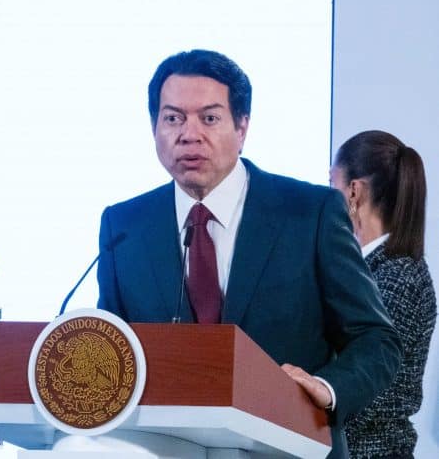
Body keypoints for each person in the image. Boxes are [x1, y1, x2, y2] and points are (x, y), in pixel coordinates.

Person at [96, 49, 402, 458]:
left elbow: (376, 339)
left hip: (287, 448)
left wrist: (326, 389)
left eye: (209, 118)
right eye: (173, 118)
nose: (189, 134)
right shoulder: (124, 226)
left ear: (242, 127)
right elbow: (111, 348)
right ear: (154, 127)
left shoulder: (309, 213)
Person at [331, 131, 436, 458]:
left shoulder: (398, 277)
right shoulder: (371, 269)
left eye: (330, 182)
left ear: (353, 191)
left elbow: (369, 391)